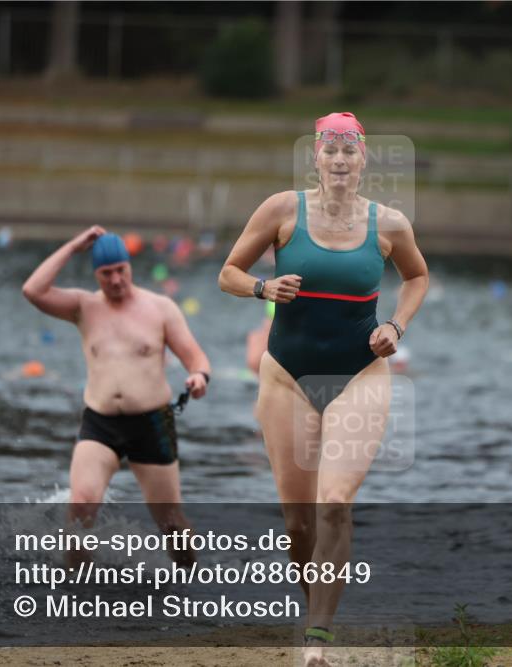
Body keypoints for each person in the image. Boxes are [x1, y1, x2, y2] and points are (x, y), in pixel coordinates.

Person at [219, 113, 429, 666]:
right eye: (329, 150)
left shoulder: (390, 225)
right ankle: (317, 608)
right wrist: (263, 285)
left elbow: (417, 277)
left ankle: (318, 637)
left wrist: (395, 327)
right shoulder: (282, 210)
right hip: (285, 375)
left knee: (334, 500)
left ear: (363, 160)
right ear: (315, 156)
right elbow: (229, 273)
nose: (339, 160)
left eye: (349, 151)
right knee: (297, 521)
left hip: (358, 374)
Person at [22, 227, 210, 564]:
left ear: (129, 266)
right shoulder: (83, 306)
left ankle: (193, 583)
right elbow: (33, 290)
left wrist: (198, 376)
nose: (116, 280)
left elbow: (195, 357)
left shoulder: (160, 308)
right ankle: (77, 592)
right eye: (106, 274)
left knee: (172, 525)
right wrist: (74, 245)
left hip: (152, 423)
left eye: (121, 270)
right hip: (100, 423)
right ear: (96, 274)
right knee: (80, 507)